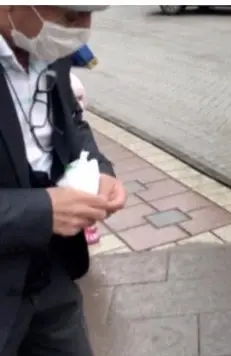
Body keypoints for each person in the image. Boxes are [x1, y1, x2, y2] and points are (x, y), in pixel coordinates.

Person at [0, 5, 126, 355]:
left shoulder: (48, 48)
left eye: (89, 13)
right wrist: (41, 211)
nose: (83, 28)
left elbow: (73, 124)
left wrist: (99, 168)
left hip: (53, 273)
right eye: (71, 15)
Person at [70, 71, 101, 245]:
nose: (80, 105)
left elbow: (80, 121)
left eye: (81, 99)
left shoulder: (71, 80)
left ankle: (87, 224)